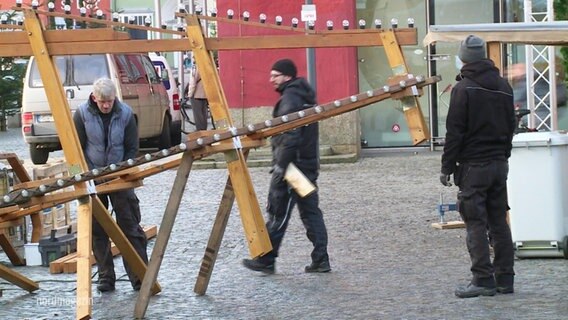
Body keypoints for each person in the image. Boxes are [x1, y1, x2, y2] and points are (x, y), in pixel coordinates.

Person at [440, 35, 516, 298]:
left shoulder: (464, 89)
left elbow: (455, 133)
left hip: (474, 165)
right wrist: (503, 155)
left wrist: (446, 166)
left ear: (464, 59)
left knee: (474, 222)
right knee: (499, 222)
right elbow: (510, 126)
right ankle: (505, 278)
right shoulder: (504, 86)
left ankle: (482, 279)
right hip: (498, 164)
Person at [242, 58, 331, 274]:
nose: (271, 79)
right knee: (310, 212)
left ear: (287, 76)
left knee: (278, 213)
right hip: (307, 165)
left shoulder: (291, 98)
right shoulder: (304, 96)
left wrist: (281, 166)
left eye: (276, 75)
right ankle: (321, 259)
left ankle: (266, 259)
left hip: (293, 168)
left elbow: (291, 134)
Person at [73, 78, 148, 292]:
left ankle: (139, 274)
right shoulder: (81, 114)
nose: (106, 105)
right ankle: (106, 277)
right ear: (94, 98)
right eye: (102, 101)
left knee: (129, 225)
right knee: (98, 229)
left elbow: (132, 148)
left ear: (115, 97)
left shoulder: (125, 114)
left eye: (109, 101)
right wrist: (80, 177)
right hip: (92, 177)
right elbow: (75, 149)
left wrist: (123, 172)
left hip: (119, 176)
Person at [186, 60, 209, 131]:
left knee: (198, 115)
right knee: (204, 114)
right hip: (205, 94)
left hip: (196, 95)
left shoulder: (196, 67)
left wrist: (190, 94)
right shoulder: (207, 66)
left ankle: (200, 131)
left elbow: (193, 82)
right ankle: (204, 130)